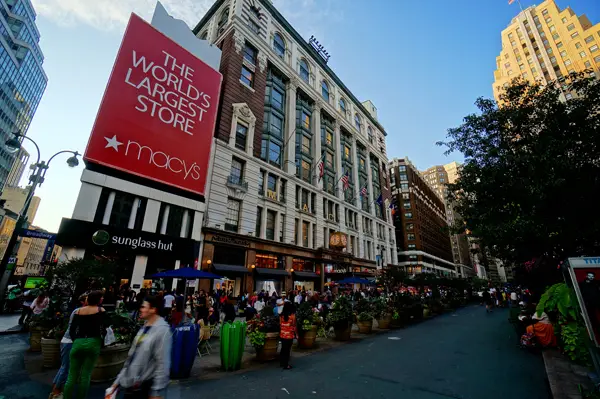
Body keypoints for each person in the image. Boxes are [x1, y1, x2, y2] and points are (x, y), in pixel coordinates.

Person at [108, 295, 171, 399]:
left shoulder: (162, 331)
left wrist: (155, 392)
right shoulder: (144, 328)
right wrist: (117, 383)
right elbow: (131, 357)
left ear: (153, 309)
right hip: (130, 385)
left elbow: (163, 363)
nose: (140, 309)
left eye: (143, 307)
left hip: (144, 387)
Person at [63, 290, 106, 399]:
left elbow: (72, 329)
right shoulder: (101, 310)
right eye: (101, 298)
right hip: (93, 341)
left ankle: (66, 397)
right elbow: (104, 328)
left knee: (71, 375)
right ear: (98, 299)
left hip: (78, 341)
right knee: (85, 375)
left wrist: (76, 340)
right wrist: (102, 341)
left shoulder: (78, 311)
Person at [50, 294, 87, 399]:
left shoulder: (79, 311)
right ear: (82, 301)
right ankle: (57, 391)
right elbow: (74, 329)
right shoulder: (79, 311)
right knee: (66, 367)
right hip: (69, 342)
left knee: (64, 366)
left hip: (67, 341)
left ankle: (55, 389)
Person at [279, 302, 296, 370]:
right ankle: (286, 365)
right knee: (287, 350)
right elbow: (294, 325)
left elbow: (280, 324)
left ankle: (282, 362)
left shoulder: (281, 315)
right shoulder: (292, 316)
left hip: (282, 334)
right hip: (289, 335)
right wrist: (295, 334)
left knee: (283, 349)